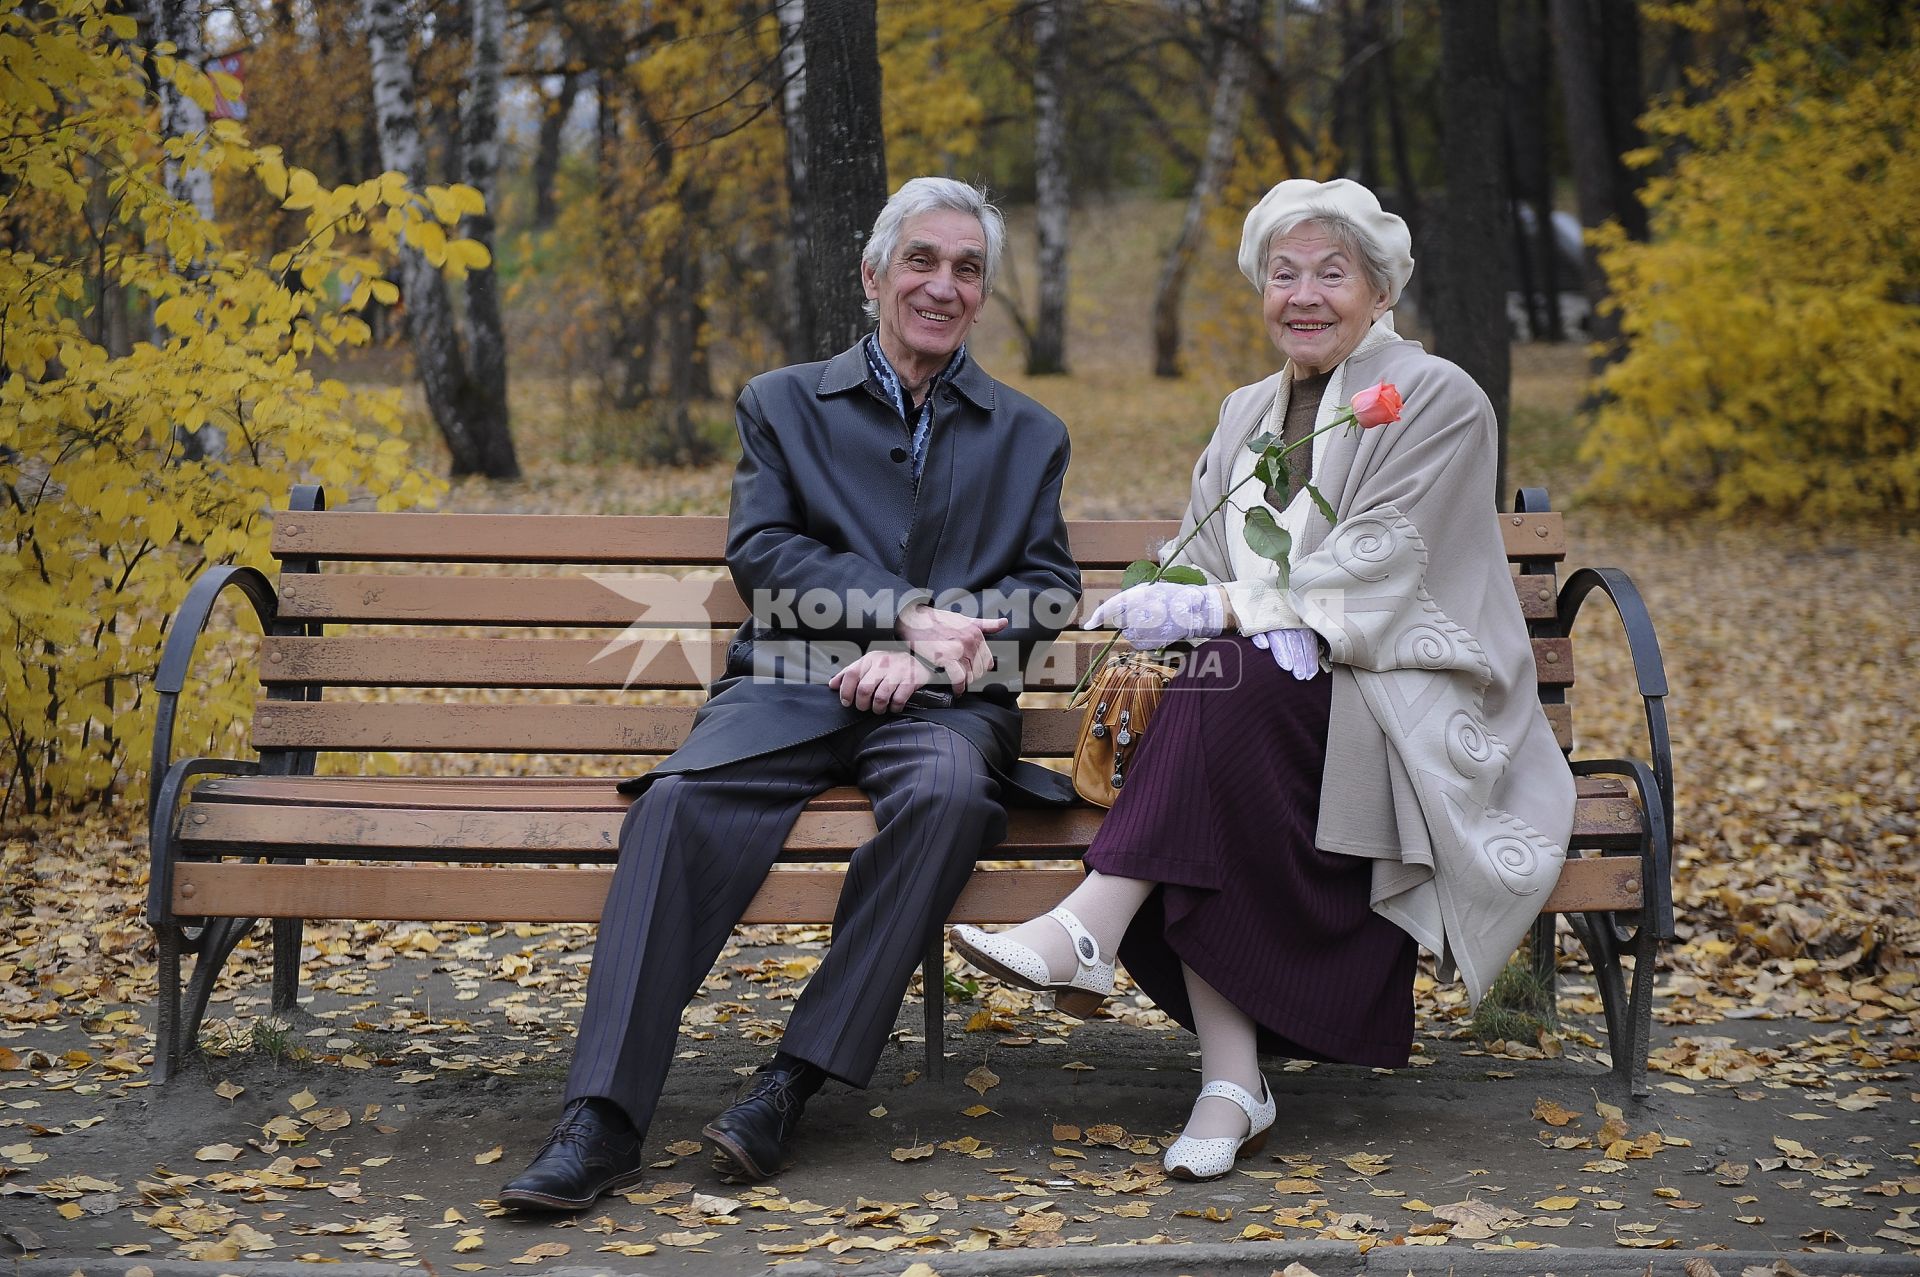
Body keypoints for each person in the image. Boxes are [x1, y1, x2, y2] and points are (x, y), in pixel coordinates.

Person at [951, 177, 1576, 1181]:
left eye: (1334, 273)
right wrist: (1177, 593)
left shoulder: (1438, 397)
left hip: (1400, 700)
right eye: (1284, 273)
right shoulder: (1246, 410)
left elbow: (1391, 561)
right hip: (1264, 713)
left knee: (1222, 686)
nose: (1306, 294)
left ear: (1381, 292)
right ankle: (1229, 1077)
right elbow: (1217, 561)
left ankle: (1091, 929)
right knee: (1214, 699)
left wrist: (1230, 610)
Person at [500, 177, 1080, 1211]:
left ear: (983, 292)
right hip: (789, 683)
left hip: (947, 705)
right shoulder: (781, 402)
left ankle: (790, 1081)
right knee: (675, 806)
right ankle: (602, 1118)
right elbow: (762, 552)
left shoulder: (1029, 432)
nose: (942, 286)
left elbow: (1045, 589)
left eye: (967, 269)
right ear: (872, 275)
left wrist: (936, 657)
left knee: (952, 797)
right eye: (921, 261)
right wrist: (901, 614)